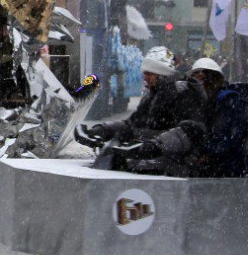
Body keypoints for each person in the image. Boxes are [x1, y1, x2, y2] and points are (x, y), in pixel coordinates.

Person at [75, 46, 211, 176]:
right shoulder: (154, 94)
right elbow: (133, 125)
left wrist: (155, 146)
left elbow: (190, 130)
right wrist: (103, 130)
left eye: (149, 73)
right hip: (153, 162)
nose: (145, 77)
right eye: (145, 73)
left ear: (161, 74)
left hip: (174, 167)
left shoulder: (184, 92)